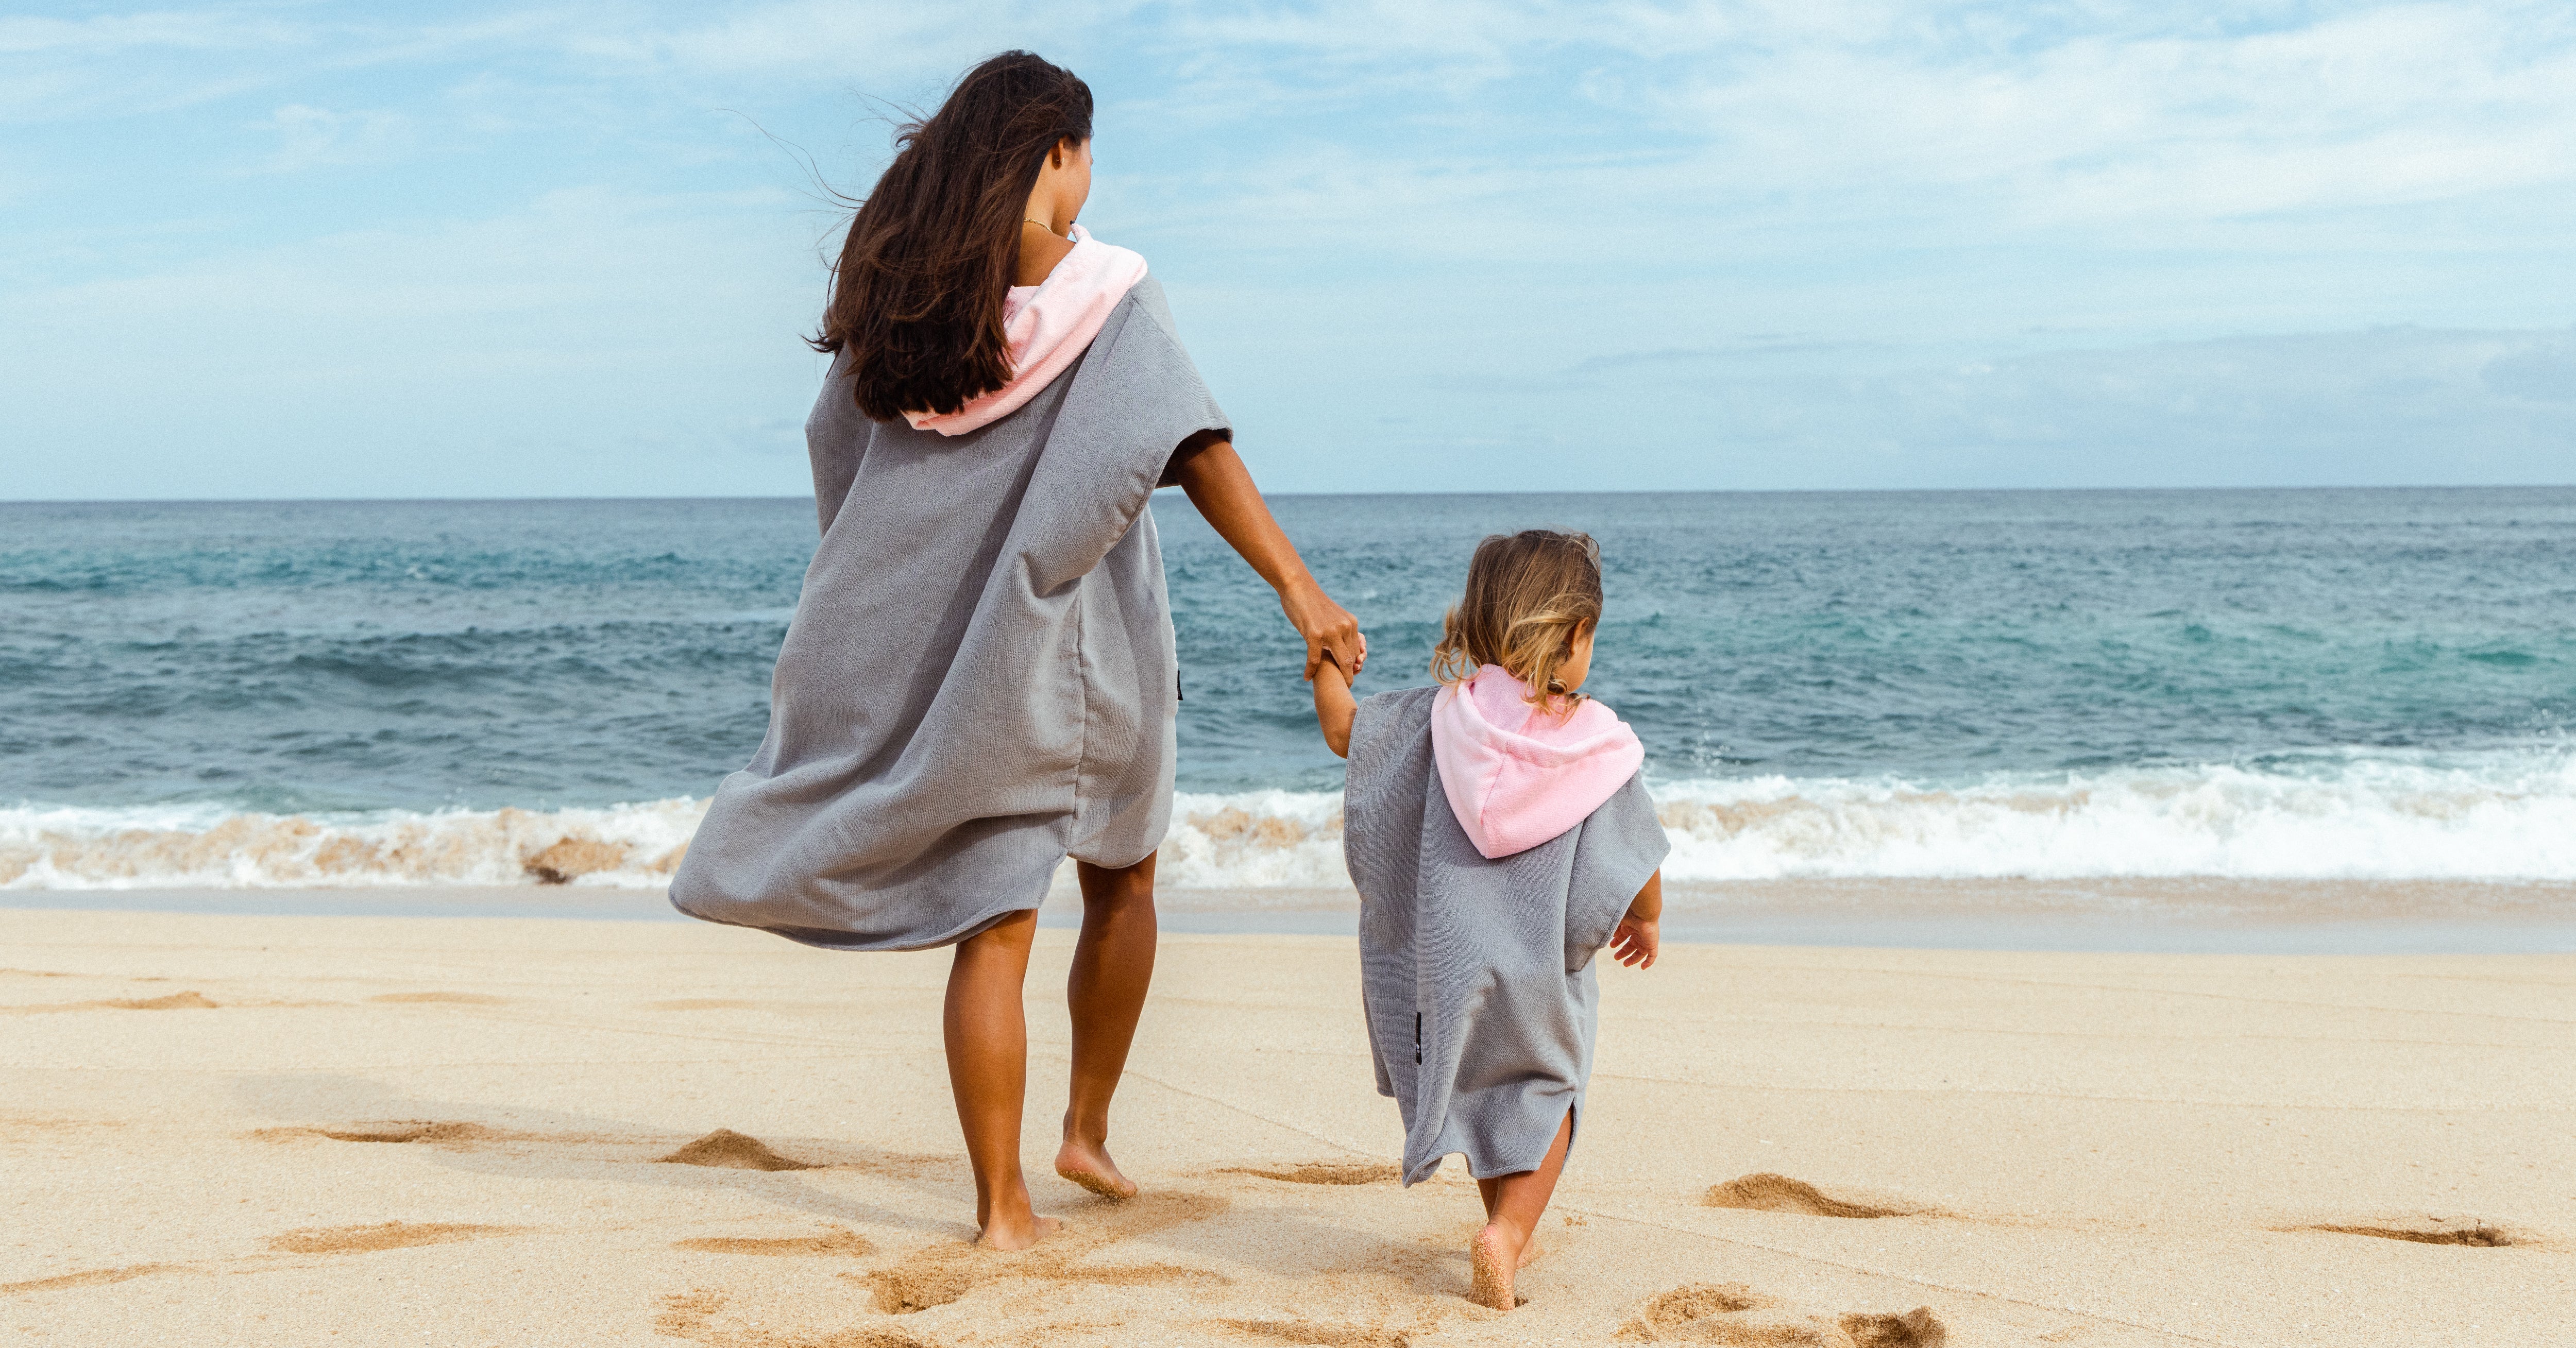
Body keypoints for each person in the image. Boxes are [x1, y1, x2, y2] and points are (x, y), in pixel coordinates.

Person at [670, 51, 1365, 1251]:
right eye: (1084, 156)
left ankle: (1002, 1211)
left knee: (996, 919)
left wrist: (892, 594)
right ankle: (1085, 1126)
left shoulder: (899, 303)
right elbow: (1191, 445)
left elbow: (838, 459)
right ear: (1055, 152)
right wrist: (1301, 592)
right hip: (1090, 643)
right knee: (1124, 873)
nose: (1090, 183)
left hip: (964, 650)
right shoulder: (1109, 292)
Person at [1312, 529, 1667, 1311]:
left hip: (1448, 959)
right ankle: (1506, 1233)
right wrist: (1645, 919)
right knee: (1547, 1095)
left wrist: (1327, 667)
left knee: (1475, 1093)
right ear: (1574, 635)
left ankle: (1504, 1224)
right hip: (1537, 971)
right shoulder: (1593, 744)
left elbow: (1345, 731)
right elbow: (1638, 859)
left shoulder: (1437, 717)